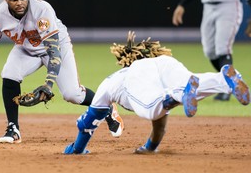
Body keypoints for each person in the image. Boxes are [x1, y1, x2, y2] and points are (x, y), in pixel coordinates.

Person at [0, 0, 124, 144]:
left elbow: (53, 51)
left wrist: (48, 84)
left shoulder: (41, 10)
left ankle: (107, 108)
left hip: (57, 47)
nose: (19, 2)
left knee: (72, 94)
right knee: (9, 73)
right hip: (26, 49)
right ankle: (13, 128)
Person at [63, 31, 250, 154]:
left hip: (146, 82)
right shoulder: (156, 62)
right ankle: (223, 80)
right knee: (190, 84)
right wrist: (149, 148)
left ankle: (179, 94)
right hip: (167, 64)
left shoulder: (120, 78)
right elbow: (159, 127)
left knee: (150, 108)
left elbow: (88, 123)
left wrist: (77, 149)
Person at [172, 0, 251, 101]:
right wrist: (182, 5)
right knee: (210, 50)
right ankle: (230, 82)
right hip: (208, 6)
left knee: (222, 49)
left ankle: (227, 88)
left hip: (229, 5)